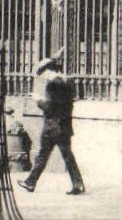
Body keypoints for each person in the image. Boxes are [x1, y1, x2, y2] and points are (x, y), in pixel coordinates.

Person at [19, 55, 86, 196]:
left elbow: (50, 108)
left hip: (52, 126)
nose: (43, 76)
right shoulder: (67, 83)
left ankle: (30, 182)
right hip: (64, 126)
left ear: (48, 70)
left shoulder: (52, 84)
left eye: (42, 72)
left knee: (42, 155)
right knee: (67, 156)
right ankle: (78, 184)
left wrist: (38, 100)